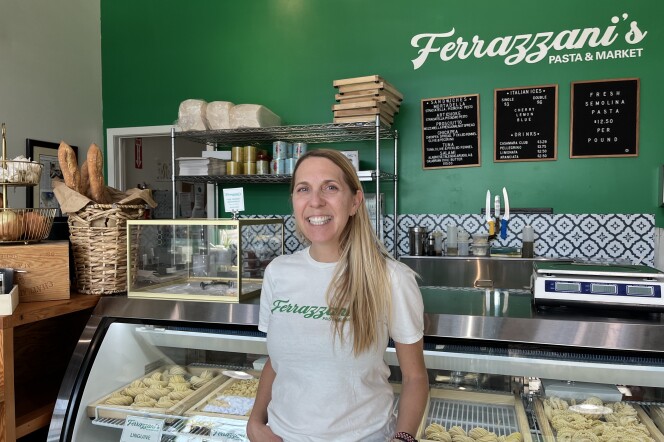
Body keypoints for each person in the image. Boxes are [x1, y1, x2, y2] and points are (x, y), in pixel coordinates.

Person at [247, 149, 428, 442]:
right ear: (294, 200)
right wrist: (255, 420)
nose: (315, 201)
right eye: (303, 189)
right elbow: (277, 362)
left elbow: (415, 377)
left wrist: (403, 438)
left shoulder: (392, 278)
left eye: (330, 188)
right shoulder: (278, 272)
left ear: (355, 201)